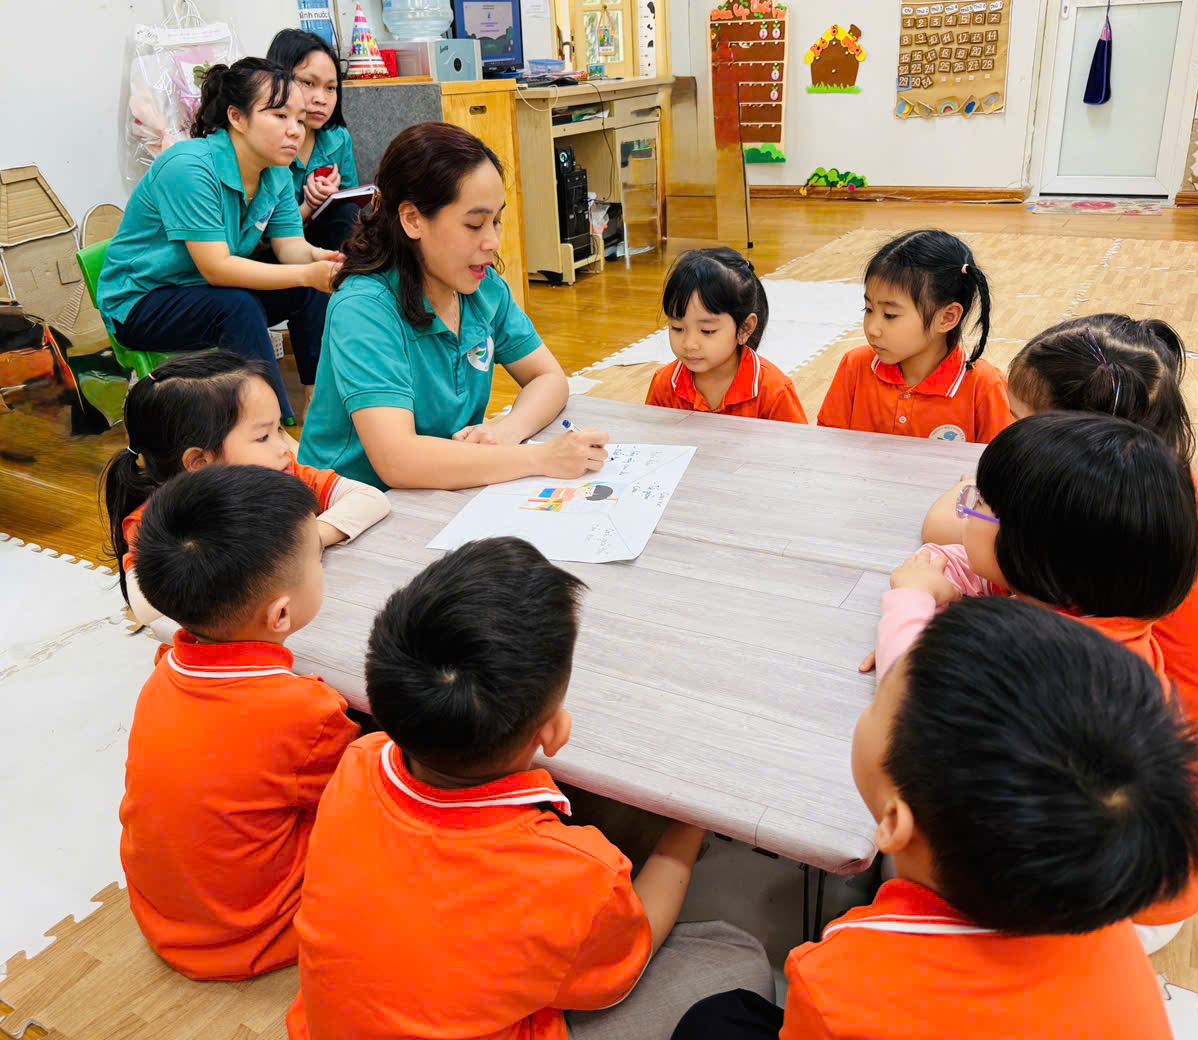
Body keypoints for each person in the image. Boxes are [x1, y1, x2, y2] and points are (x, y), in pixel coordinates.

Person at [286, 537, 774, 1040]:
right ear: (554, 733)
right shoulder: (580, 872)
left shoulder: (358, 761)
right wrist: (691, 825)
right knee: (739, 959)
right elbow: (630, 957)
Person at [673, 598, 1198, 1039]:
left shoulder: (840, 978)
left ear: (894, 823)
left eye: (878, 703)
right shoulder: (1098, 909)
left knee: (712, 1021)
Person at [875, 413, 1198, 952]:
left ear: (1030, 551)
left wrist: (910, 602)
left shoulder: (1050, 658)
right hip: (1130, 869)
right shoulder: (1091, 601)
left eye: (980, 505)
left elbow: (907, 699)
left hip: (1109, 912)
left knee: (911, 837)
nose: (967, 512)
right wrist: (943, 574)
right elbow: (966, 564)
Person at [921, 313, 1198, 754]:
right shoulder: (1155, 487)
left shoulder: (1092, 522)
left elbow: (940, 526)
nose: (1007, 435)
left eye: (1021, 422)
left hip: (1169, 742)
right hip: (1178, 710)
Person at [119, 465, 361, 980]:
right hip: (253, 932)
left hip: (164, 911)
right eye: (317, 561)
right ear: (280, 615)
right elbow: (352, 800)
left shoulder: (162, 672)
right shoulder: (306, 710)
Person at [300, 122, 607, 491]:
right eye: (474, 225)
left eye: (496, 221)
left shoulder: (482, 287)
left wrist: (505, 433)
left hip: (440, 488)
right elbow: (399, 461)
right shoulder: (363, 309)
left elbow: (549, 379)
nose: (492, 242)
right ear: (413, 219)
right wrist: (539, 458)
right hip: (353, 504)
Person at [97, 58, 342, 422]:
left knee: (309, 288)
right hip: (142, 303)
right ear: (237, 118)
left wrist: (324, 260)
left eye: (300, 120)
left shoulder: (275, 171)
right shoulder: (189, 167)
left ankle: (317, 407)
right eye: (280, 116)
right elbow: (217, 268)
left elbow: (291, 247)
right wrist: (307, 273)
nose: (295, 131)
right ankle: (272, 427)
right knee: (238, 306)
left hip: (206, 291)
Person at [102, 351, 388, 644]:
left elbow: (370, 498)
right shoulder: (154, 523)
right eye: (263, 437)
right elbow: (145, 606)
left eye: (279, 429)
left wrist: (309, 537)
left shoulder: (285, 473)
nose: (285, 448)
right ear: (200, 462)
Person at [816, 230, 1011, 443]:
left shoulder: (984, 386)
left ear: (947, 317)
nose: (872, 329)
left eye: (890, 315)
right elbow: (828, 446)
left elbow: (1003, 463)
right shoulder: (855, 367)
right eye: (869, 309)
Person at [645, 248, 807, 424]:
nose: (689, 344)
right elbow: (651, 438)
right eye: (677, 328)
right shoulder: (665, 384)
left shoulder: (774, 391)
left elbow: (799, 442)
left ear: (745, 328)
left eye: (707, 331)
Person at [266, 29, 361, 252]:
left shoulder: (338, 138)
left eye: (331, 88)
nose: (321, 99)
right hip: (273, 251)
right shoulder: (263, 142)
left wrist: (332, 199)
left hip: (326, 245)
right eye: (308, 83)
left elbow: (353, 211)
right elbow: (259, 237)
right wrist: (310, 206)